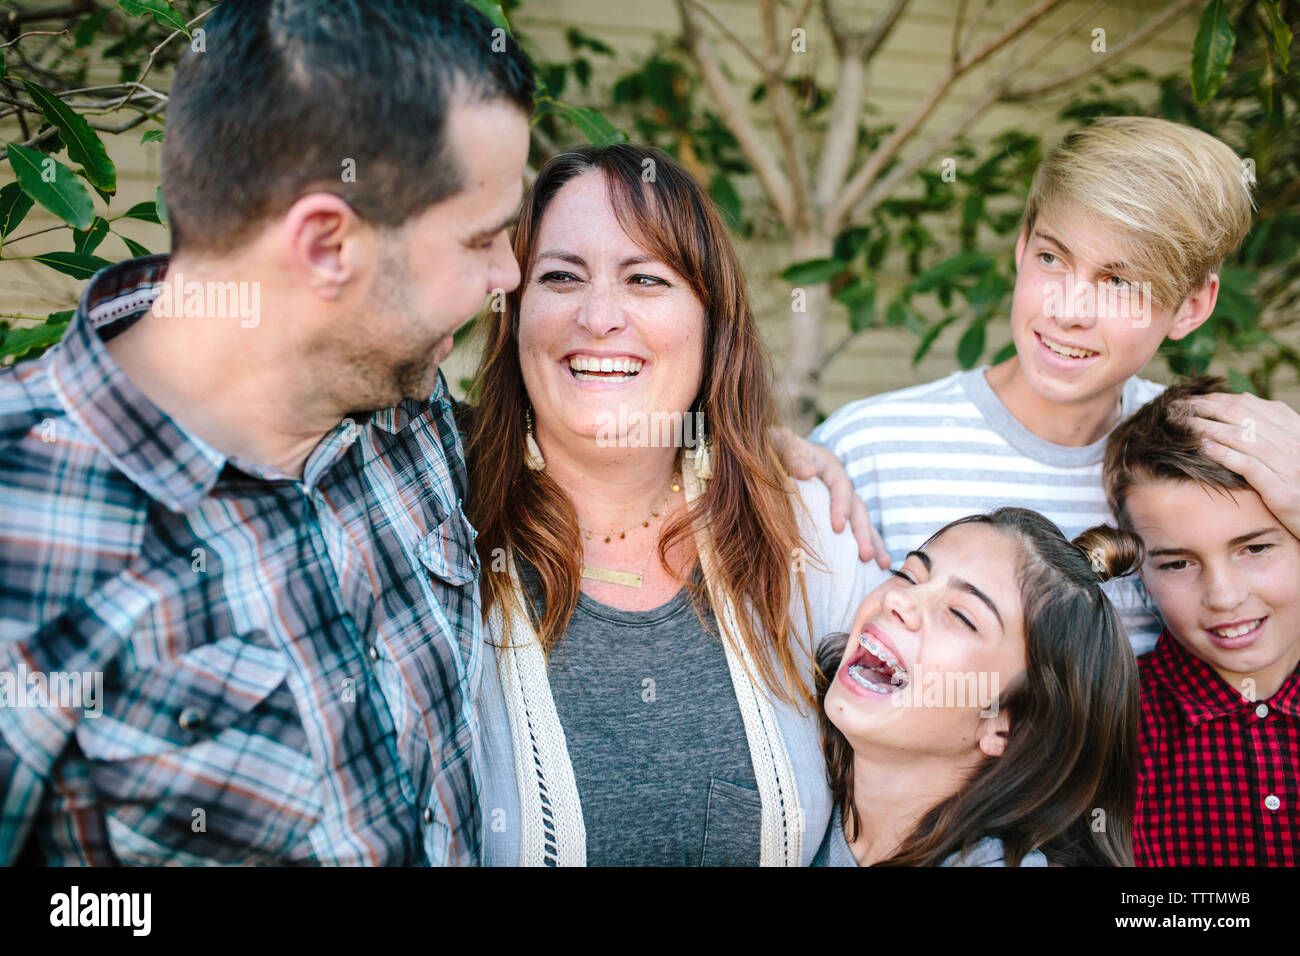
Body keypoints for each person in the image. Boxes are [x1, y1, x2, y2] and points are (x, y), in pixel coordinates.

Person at [0, 0, 533, 865]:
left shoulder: (410, 411)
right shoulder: (22, 544)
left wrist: (727, 446)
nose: (508, 273)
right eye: (480, 238)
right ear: (326, 245)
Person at [467, 144, 886, 866]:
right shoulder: (439, 521)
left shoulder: (806, 527)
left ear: (711, 322)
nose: (599, 317)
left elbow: (904, 792)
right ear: (514, 311)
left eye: (645, 279)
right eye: (561, 277)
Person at [810, 116, 1272, 655]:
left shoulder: (1216, 461)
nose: (1067, 312)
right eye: (1052, 258)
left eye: (1119, 282)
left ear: (1192, 306)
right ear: (1022, 245)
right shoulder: (864, 450)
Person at [814, 508, 1140, 867]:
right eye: (907, 576)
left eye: (962, 616)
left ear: (1006, 725)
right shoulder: (798, 785)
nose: (897, 599)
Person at [1103, 376, 1299, 866]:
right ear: (1139, 574)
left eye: (1255, 548)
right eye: (1177, 563)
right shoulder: (1107, 734)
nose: (1225, 596)